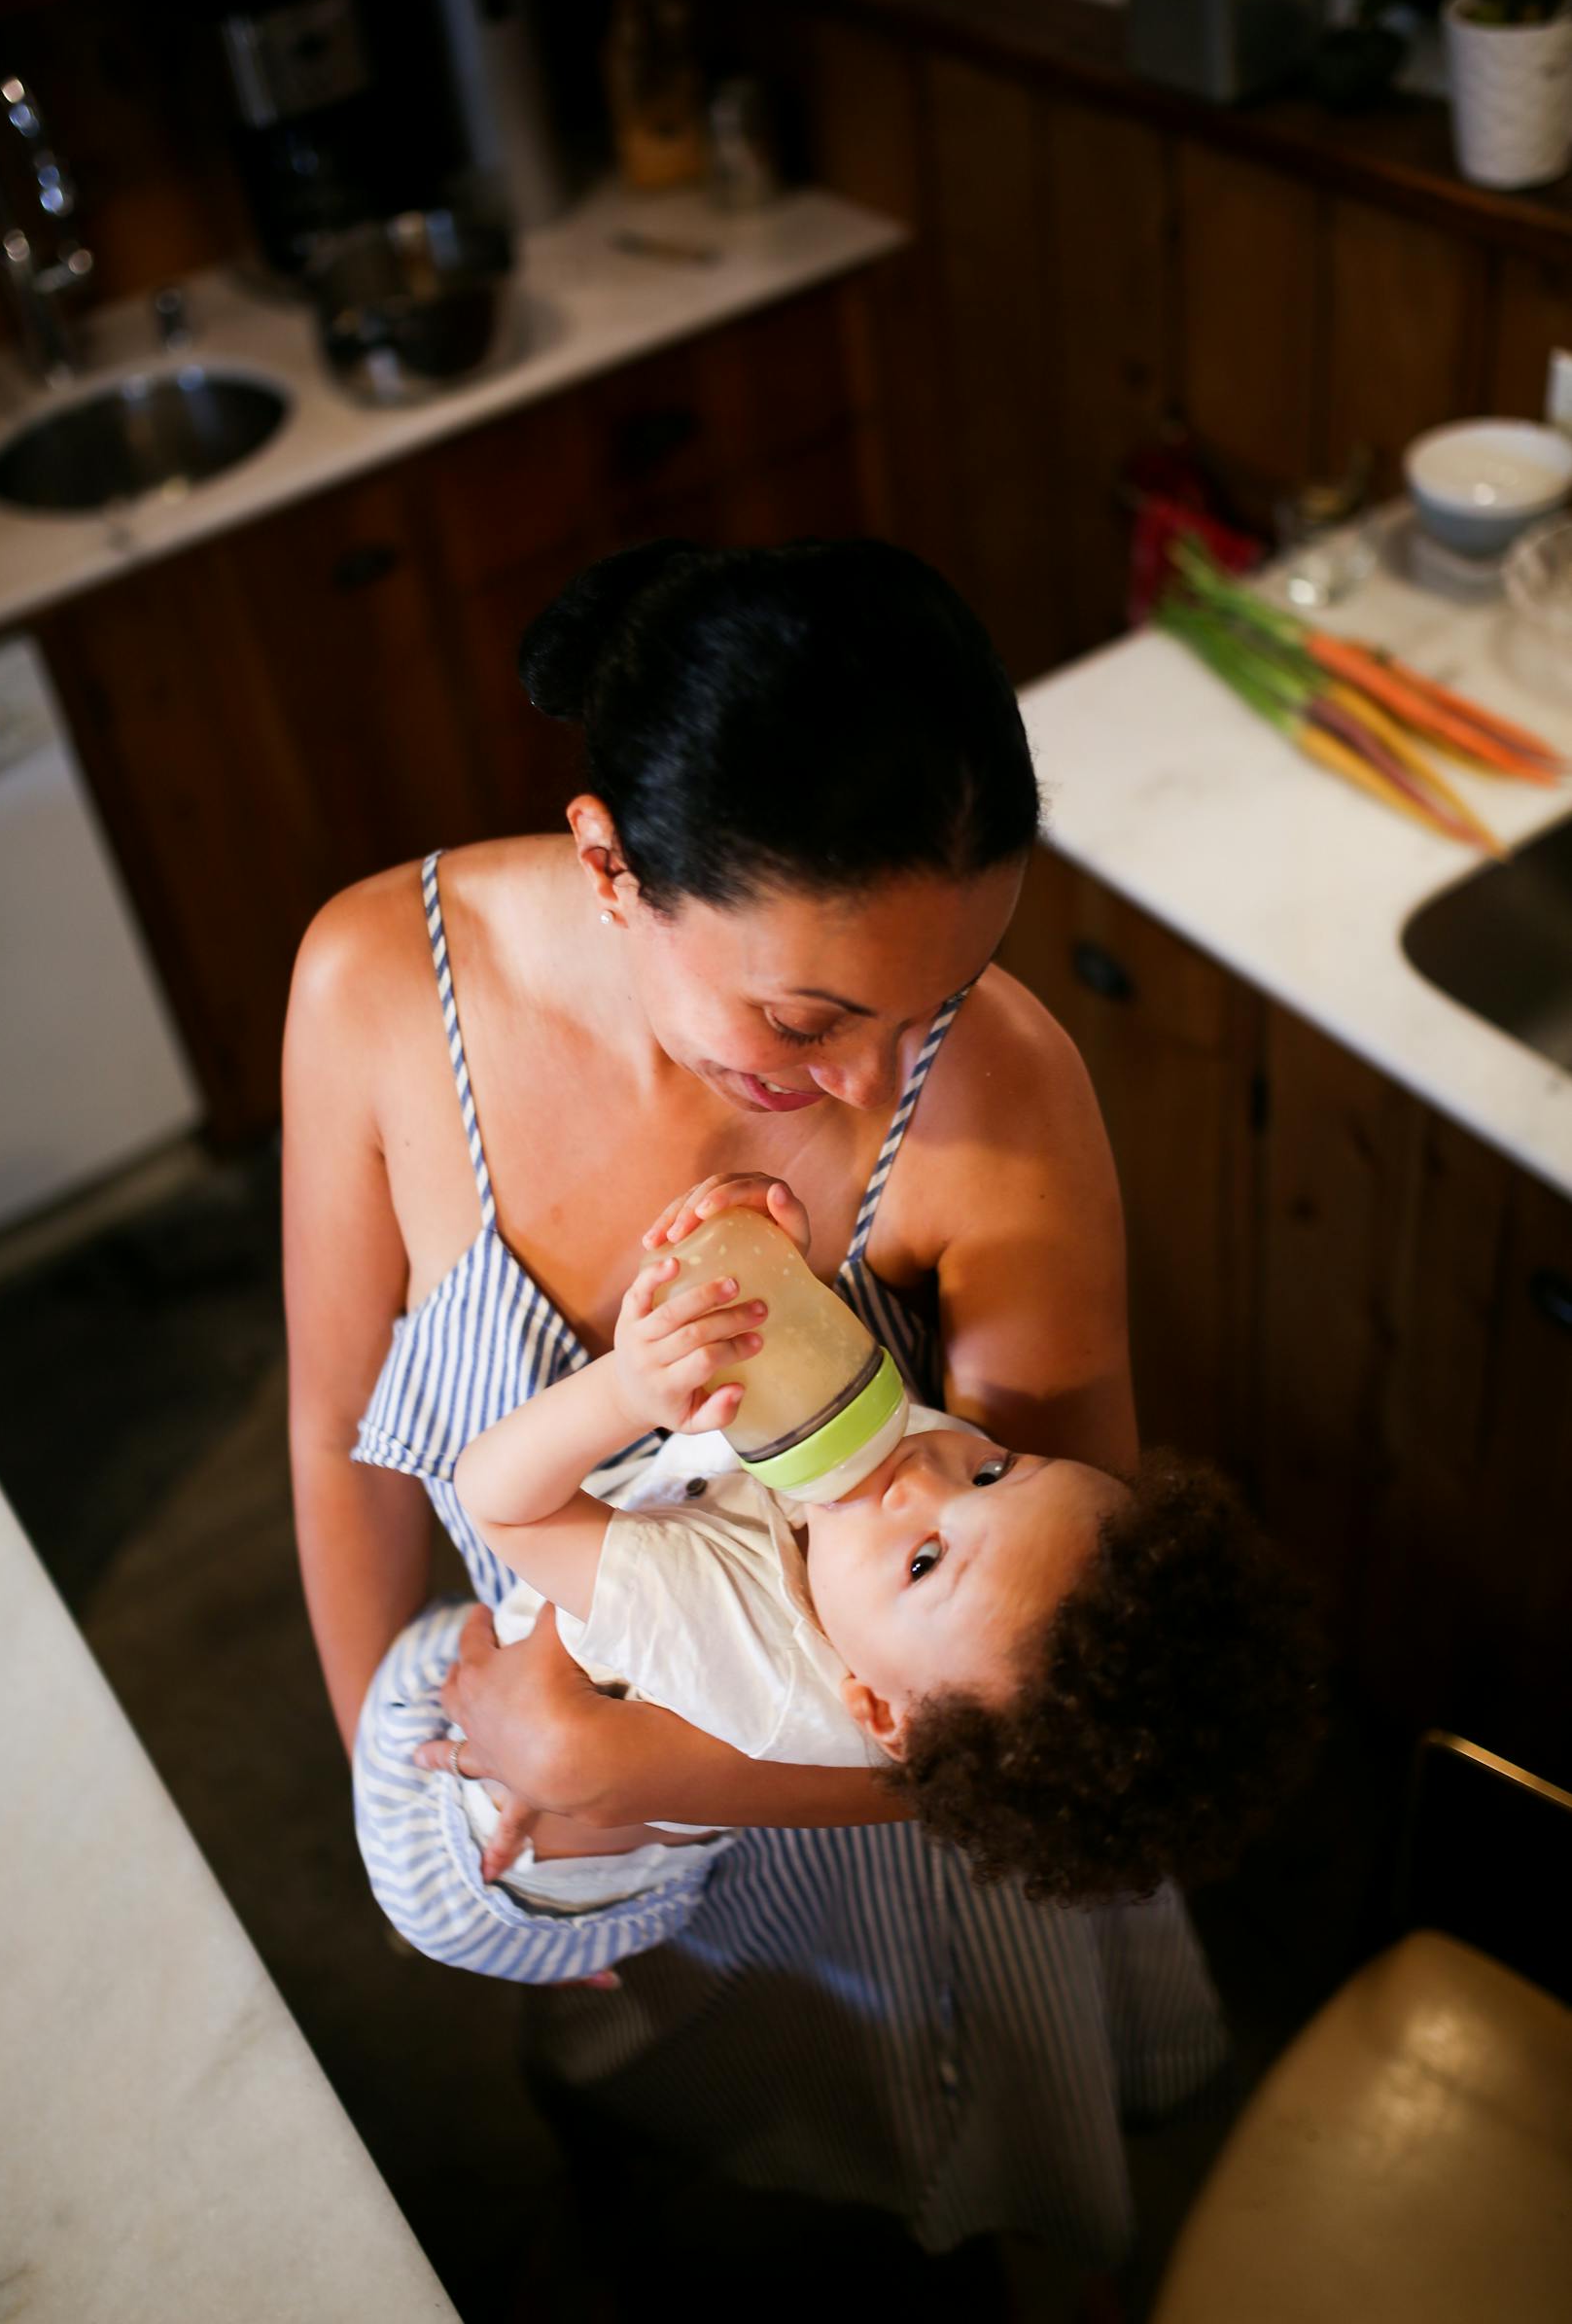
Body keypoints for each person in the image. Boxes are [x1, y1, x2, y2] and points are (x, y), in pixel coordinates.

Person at [285, 536, 1233, 2267]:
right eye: (805, 1015)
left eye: (933, 1001)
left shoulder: (1004, 1093)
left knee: (937, 2217)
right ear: (611, 867)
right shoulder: (373, 988)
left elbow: (1063, 1679)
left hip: (895, 1839)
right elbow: (333, 1438)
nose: (875, 1082)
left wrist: (624, 1754)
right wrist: (457, 1813)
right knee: (689, 2201)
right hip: (557, 1826)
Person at [357, 1184, 1319, 1919]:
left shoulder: (732, 1631)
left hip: (464, 1846)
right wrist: (772, 1266)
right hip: (543, 1735)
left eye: (925, 1561)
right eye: (997, 1472)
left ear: (871, 1709)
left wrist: (628, 1390)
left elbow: (500, 1501)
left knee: (400, 1687)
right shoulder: (914, 1592)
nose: (920, 1475)